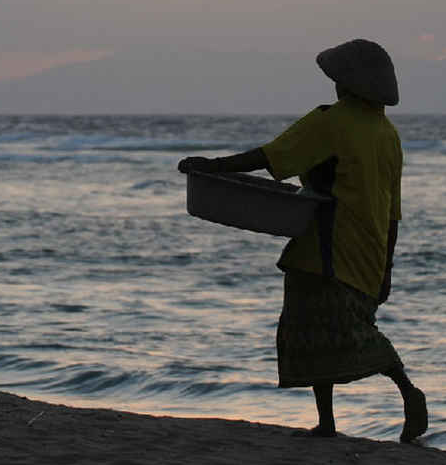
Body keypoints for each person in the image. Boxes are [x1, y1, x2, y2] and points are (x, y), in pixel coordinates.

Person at [177, 38, 428, 442]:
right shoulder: (388, 133)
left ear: (345, 84)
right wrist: (387, 267)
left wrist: (213, 167)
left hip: (325, 243)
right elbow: (394, 209)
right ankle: (366, 405)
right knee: (347, 324)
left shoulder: (332, 120)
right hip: (371, 247)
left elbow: (272, 155)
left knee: (314, 326)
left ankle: (386, 397)